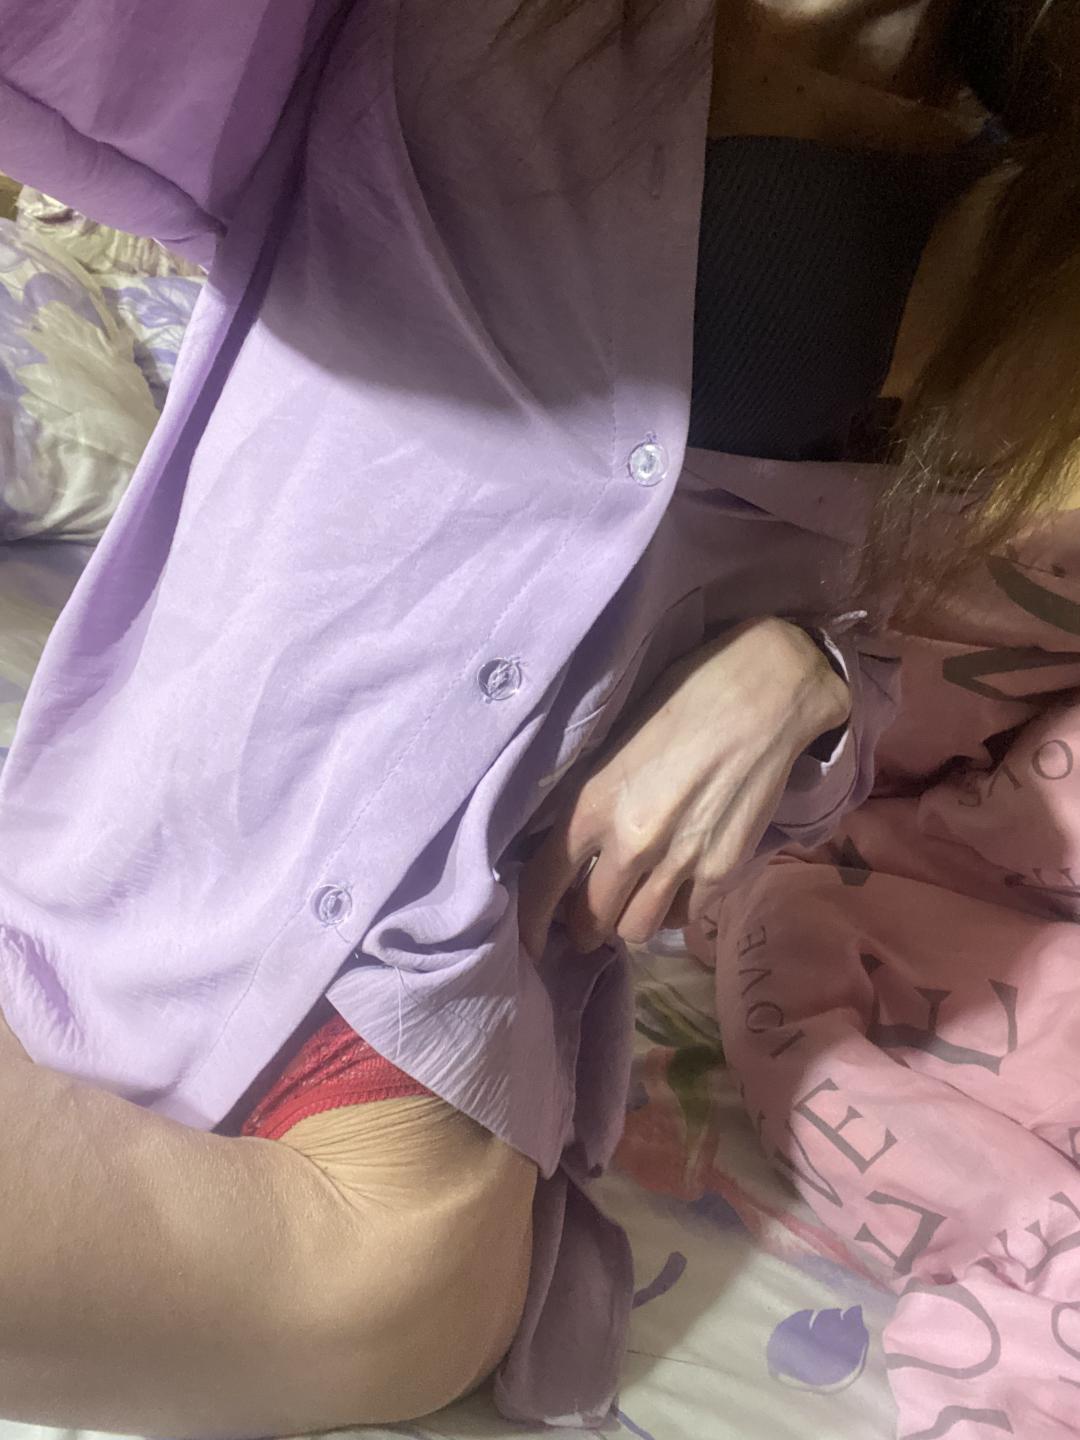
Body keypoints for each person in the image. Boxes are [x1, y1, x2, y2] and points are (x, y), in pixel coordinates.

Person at [0, 0, 1073, 1432]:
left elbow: (853, 614)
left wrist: (808, 674)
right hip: (137, 862)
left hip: (438, 1000)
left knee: (398, 1309)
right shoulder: (428, 25)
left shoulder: (1011, 212)